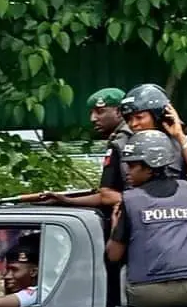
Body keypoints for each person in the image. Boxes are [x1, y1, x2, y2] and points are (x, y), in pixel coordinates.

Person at [105, 130, 187, 307]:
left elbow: (113, 256)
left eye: (133, 166)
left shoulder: (130, 199)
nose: (127, 172)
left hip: (146, 294)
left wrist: (115, 224)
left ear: (150, 167)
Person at [41, 87, 132, 215]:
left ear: (119, 112)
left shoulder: (121, 142)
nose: (93, 118)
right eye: (92, 112)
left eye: (100, 112)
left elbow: (107, 195)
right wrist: (66, 200)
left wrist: (66, 201)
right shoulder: (136, 136)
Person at [118, 84, 187, 183]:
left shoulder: (178, 143)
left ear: (158, 115)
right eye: (129, 119)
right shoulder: (121, 144)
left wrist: (180, 136)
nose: (133, 124)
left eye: (139, 117)